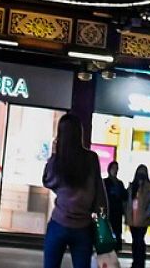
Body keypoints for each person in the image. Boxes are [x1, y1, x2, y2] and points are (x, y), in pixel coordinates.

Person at [42, 112, 102, 268]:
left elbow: (48, 181)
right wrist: (102, 221)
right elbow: (99, 193)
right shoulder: (91, 159)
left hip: (58, 223)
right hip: (83, 226)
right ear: (79, 133)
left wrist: (54, 155)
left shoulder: (60, 159)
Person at [127, 164, 150, 268]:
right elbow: (127, 201)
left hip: (143, 220)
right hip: (132, 219)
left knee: (139, 241)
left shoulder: (149, 187)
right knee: (135, 242)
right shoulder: (132, 186)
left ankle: (140, 262)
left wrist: (147, 215)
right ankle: (136, 261)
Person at [103, 160, 127, 255]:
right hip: (108, 210)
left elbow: (124, 196)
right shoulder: (105, 182)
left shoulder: (119, 183)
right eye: (114, 168)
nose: (115, 171)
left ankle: (115, 248)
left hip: (117, 211)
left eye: (117, 169)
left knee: (116, 231)